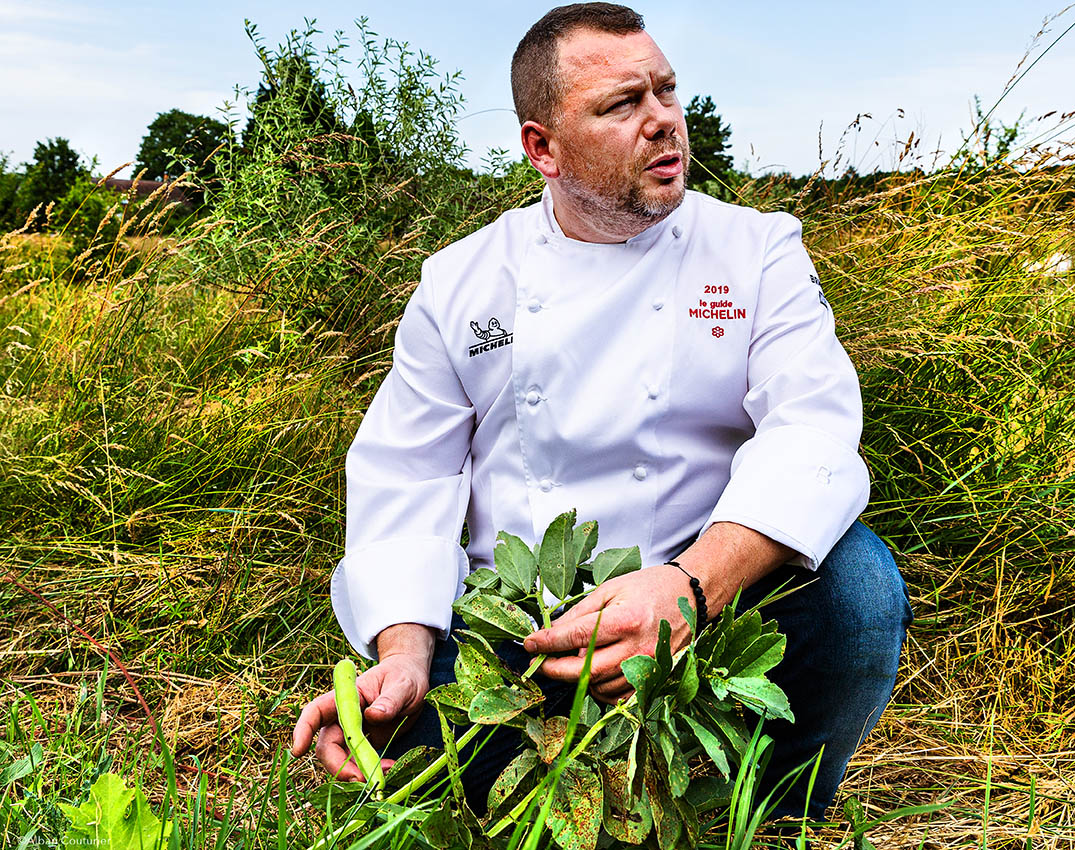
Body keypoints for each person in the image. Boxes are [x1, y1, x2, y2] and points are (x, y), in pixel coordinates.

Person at [290, 1, 912, 822]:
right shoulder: (461, 282)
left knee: (860, 586)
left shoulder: (756, 251)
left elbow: (813, 432)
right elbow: (410, 472)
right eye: (622, 105)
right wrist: (403, 651)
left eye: (666, 91)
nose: (663, 122)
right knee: (456, 770)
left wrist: (690, 588)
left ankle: (770, 811)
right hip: (524, 632)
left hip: (707, 602)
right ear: (542, 148)